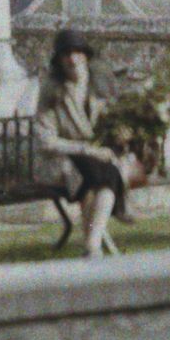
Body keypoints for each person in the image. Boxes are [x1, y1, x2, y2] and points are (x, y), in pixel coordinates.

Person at [34, 27, 143, 257]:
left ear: (85, 55)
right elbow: (45, 140)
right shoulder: (52, 90)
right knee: (97, 177)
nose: (72, 59)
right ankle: (97, 239)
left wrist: (121, 134)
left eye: (77, 52)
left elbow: (114, 121)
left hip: (97, 156)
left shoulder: (98, 85)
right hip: (64, 157)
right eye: (66, 54)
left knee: (106, 176)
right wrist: (86, 149)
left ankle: (92, 243)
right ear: (59, 60)